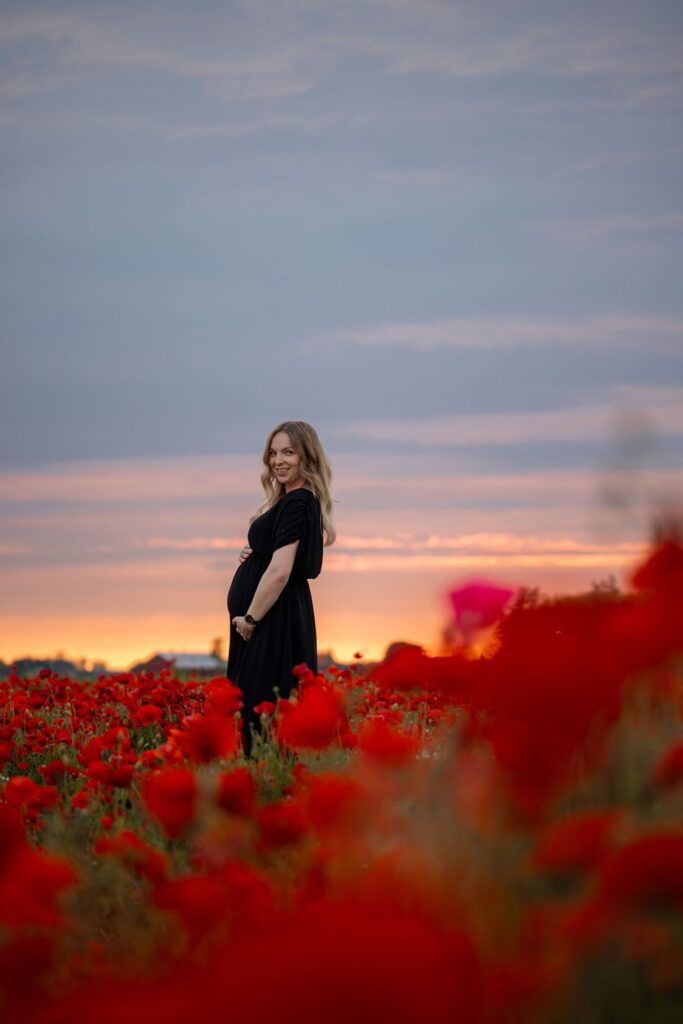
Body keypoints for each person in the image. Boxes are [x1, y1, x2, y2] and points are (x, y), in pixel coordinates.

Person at [226, 421, 336, 755]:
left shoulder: (298, 500)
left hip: (270, 622)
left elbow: (279, 571)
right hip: (275, 617)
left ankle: (267, 792)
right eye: (273, 453)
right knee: (265, 715)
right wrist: (255, 551)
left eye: (288, 452)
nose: (278, 460)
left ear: (307, 456)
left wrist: (250, 619)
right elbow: (279, 556)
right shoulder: (293, 501)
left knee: (261, 716)